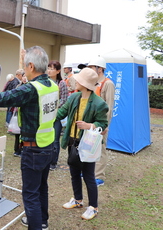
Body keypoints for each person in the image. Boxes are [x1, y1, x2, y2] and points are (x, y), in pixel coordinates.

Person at [0, 46, 58, 230]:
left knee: (30, 194)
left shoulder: (31, 89)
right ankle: (43, 220)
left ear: (31, 66)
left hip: (33, 148)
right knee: (41, 188)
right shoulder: (52, 85)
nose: (23, 68)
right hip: (48, 146)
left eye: (25, 65)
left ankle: (36, 225)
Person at [56, 68, 108, 221]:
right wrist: (46, 113)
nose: (75, 81)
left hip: (88, 144)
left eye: (78, 80)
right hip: (73, 141)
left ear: (84, 84)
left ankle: (93, 207)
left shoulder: (99, 103)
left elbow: (103, 124)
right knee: (74, 173)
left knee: (88, 176)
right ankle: (78, 200)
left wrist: (89, 125)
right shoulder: (74, 97)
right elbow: (61, 113)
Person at [87, 57, 115, 187]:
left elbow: (109, 106)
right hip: (91, 122)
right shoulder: (93, 83)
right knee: (90, 146)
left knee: (101, 148)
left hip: (101, 122)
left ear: (100, 69)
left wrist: (105, 125)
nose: (90, 70)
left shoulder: (108, 84)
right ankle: (89, 172)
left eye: (92, 67)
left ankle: (99, 176)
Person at [47, 60, 68, 170]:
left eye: (52, 69)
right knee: (46, 138)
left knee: (55, 139)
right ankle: (46, 159)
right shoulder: (45, 82)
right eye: (48, 68)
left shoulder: (62, 83)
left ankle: (53, 162)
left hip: (56, 116)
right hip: (45, 116)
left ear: (58, 71)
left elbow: (64, 100)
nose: (49, 71)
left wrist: (54, 109)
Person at [12, 69, 25, 157]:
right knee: (17, 133)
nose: (24, 78)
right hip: (18, 113)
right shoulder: (18, 86)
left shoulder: (30, 87)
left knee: (24, 133)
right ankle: (17, 150)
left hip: (25, 115)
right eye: (23, 76)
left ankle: (22, 149)